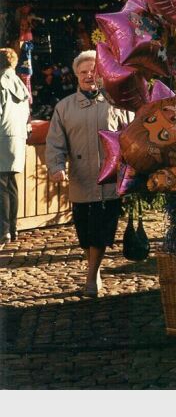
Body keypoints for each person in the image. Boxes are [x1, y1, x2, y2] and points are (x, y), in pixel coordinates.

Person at [45, 50, 127, 297]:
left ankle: (92, 276)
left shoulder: (116, 103)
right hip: (81, 179)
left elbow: (131, 135)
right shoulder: (64, 108)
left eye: (94, 71)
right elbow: (55, 143)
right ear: (76, 76)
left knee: (102, 230)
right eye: (83, 72)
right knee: (85, 231)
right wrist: (57, 167)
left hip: (109, 179)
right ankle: (95, 269)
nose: (89, 75)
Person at [0, 48, 31, 248]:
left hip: (1, 136)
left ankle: (2, 231)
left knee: (1, 186)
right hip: (17, 138)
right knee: (11, 185)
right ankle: (13, 228)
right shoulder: (20, 83)